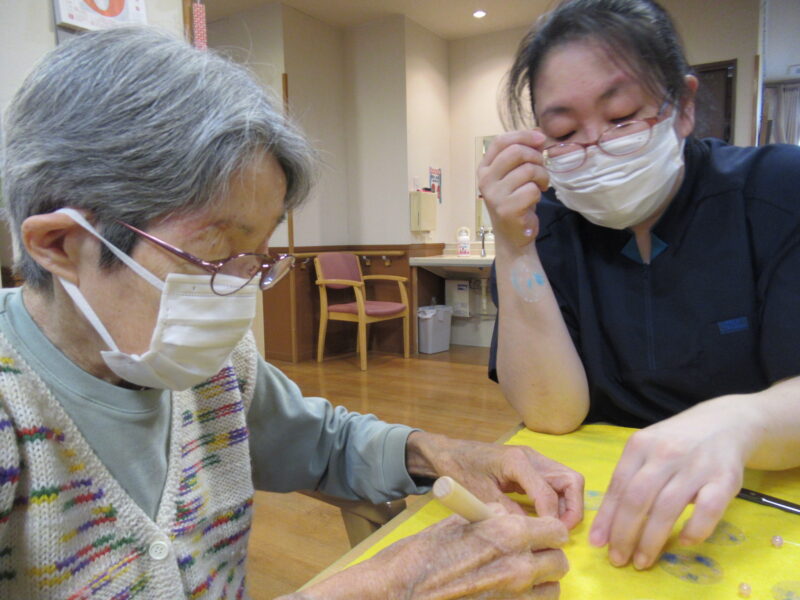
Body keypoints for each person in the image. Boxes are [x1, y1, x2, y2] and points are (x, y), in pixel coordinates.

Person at [0, 26, 584, 600]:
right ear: (60, 245)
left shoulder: (218, 369)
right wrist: (385, 586)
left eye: (255, 256)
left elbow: (324, 442)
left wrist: (445, 454)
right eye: (212, 253)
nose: (238, 289)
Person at [480, 0, 800, 573]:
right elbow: (552, 413)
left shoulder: (776, 192)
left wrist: (743, 422)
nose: (596, 148)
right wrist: (513, 244)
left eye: (622, 118)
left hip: (761, 503)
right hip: (597, 511)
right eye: (564, 132)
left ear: (683, 107)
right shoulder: (544, 228)